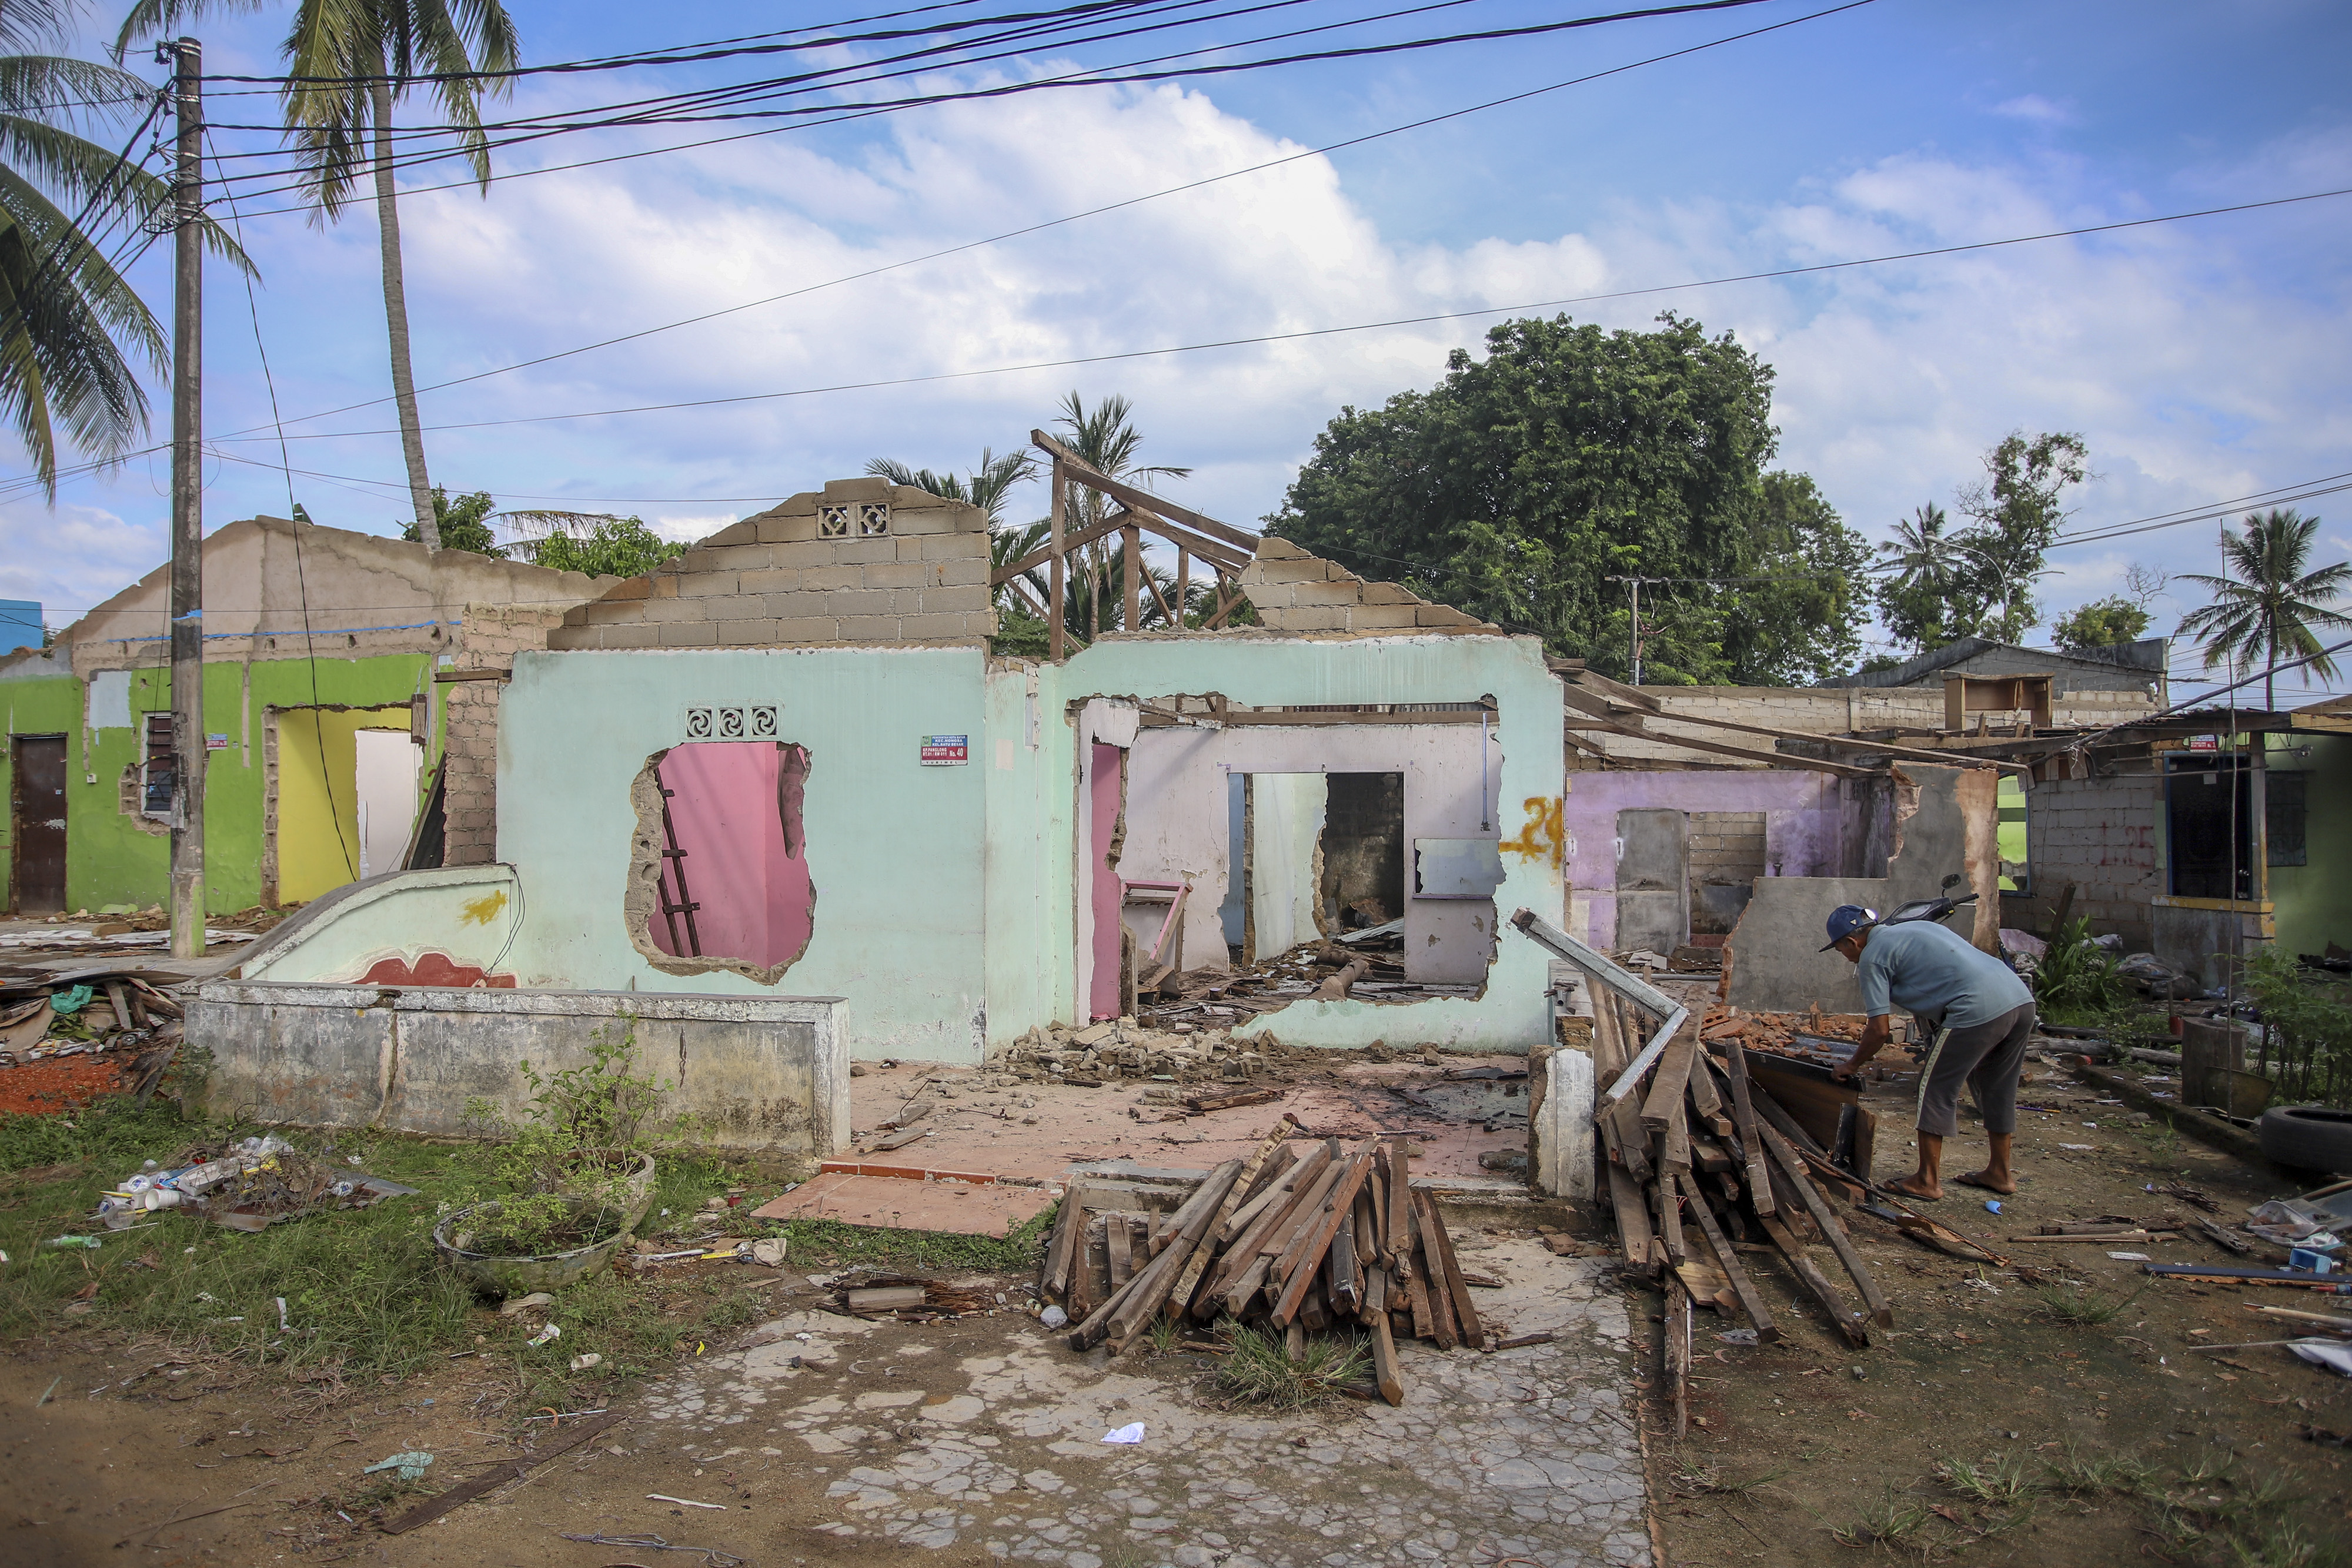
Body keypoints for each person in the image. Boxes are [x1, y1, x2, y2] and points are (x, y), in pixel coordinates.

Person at [1822, 903, 2036, 1201]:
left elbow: (1879, 1030)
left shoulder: (1872, 956)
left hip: (1976, 1008)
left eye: (1839, 949)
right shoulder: (1916, 928)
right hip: (2020, 999)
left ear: (1852, 941)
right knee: (1997, 1088)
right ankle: (2000, 1173)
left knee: (1934, 1086)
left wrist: (1852, 1065)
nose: (1844, 956)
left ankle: (1927, 1180)